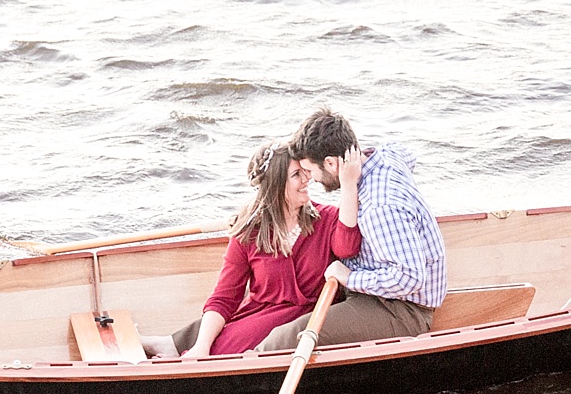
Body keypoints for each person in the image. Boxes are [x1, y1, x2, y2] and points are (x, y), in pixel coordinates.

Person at [143, 140, 361, 358]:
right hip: (257, 318)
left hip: (306, 324)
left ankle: (176, 349)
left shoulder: (328, 219)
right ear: (276, 185)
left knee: (228, 351)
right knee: (216, 346)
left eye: (306, 172)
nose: (307, 179)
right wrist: (201, 346)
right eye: (296, 175)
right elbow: (225, 298)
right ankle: (176, 348)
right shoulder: (249, 233)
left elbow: (348, 247)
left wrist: (348, 186)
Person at [255, 108, 445, 352]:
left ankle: (247, 369)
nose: (311, 179)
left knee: (290, 337)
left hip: (399, 308)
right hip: (379, 295)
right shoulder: (385, 158)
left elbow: (410, 278)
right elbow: (406, 153)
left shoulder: (379, 207)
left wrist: (350, 277)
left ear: (332, 163)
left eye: (311, 171)